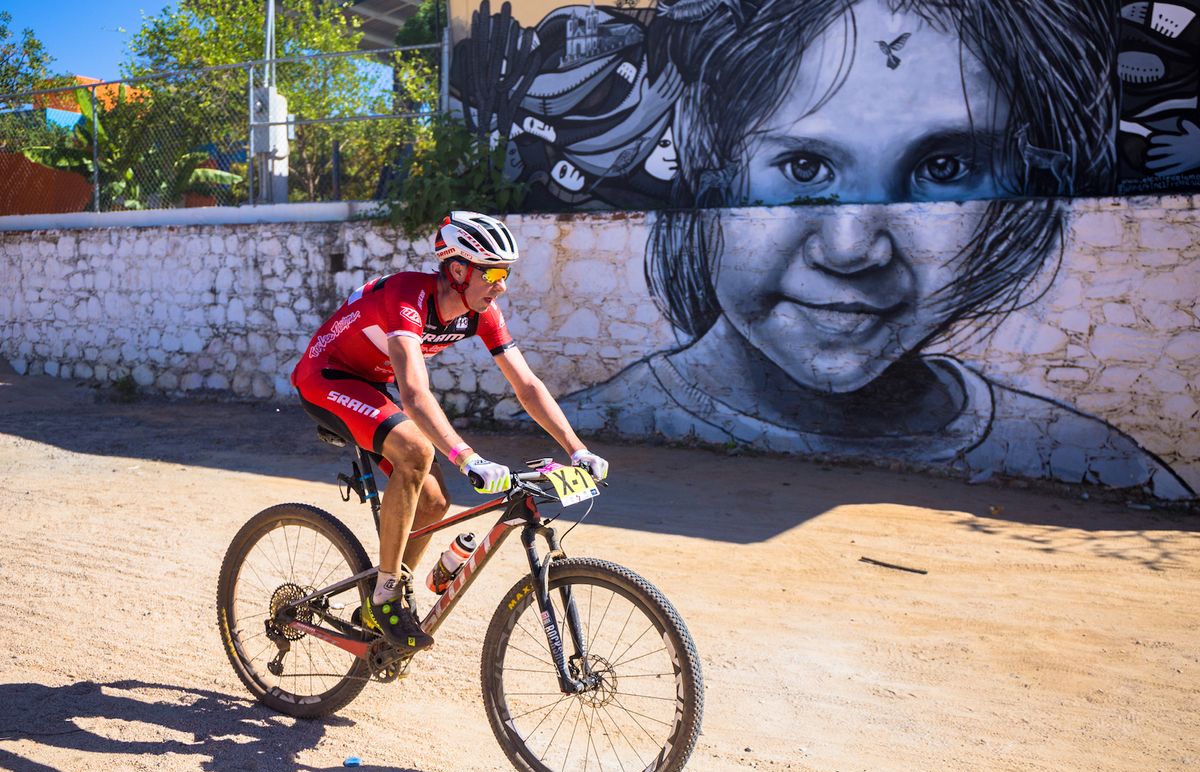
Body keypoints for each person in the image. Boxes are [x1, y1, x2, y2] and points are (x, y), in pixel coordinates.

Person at [558, 0, 1193, 498]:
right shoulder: (581, 428)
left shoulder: (1117, 464)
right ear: (708, 156)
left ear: (1031, 188)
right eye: (805, 167)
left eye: (944, 167)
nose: (850, 248)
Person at [291, 211, 609, 651]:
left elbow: (527, 386)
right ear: (458, 269)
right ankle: (385, 594)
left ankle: (379, 600)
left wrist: (578, 450)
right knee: (417, 451)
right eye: (494, 273)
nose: (503, 285)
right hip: (326, 378)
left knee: (436, 500)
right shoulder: (407, 296)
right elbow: (415, 394)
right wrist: (467, 458)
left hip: (370, 382)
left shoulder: (482, 313)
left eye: (506, 273)